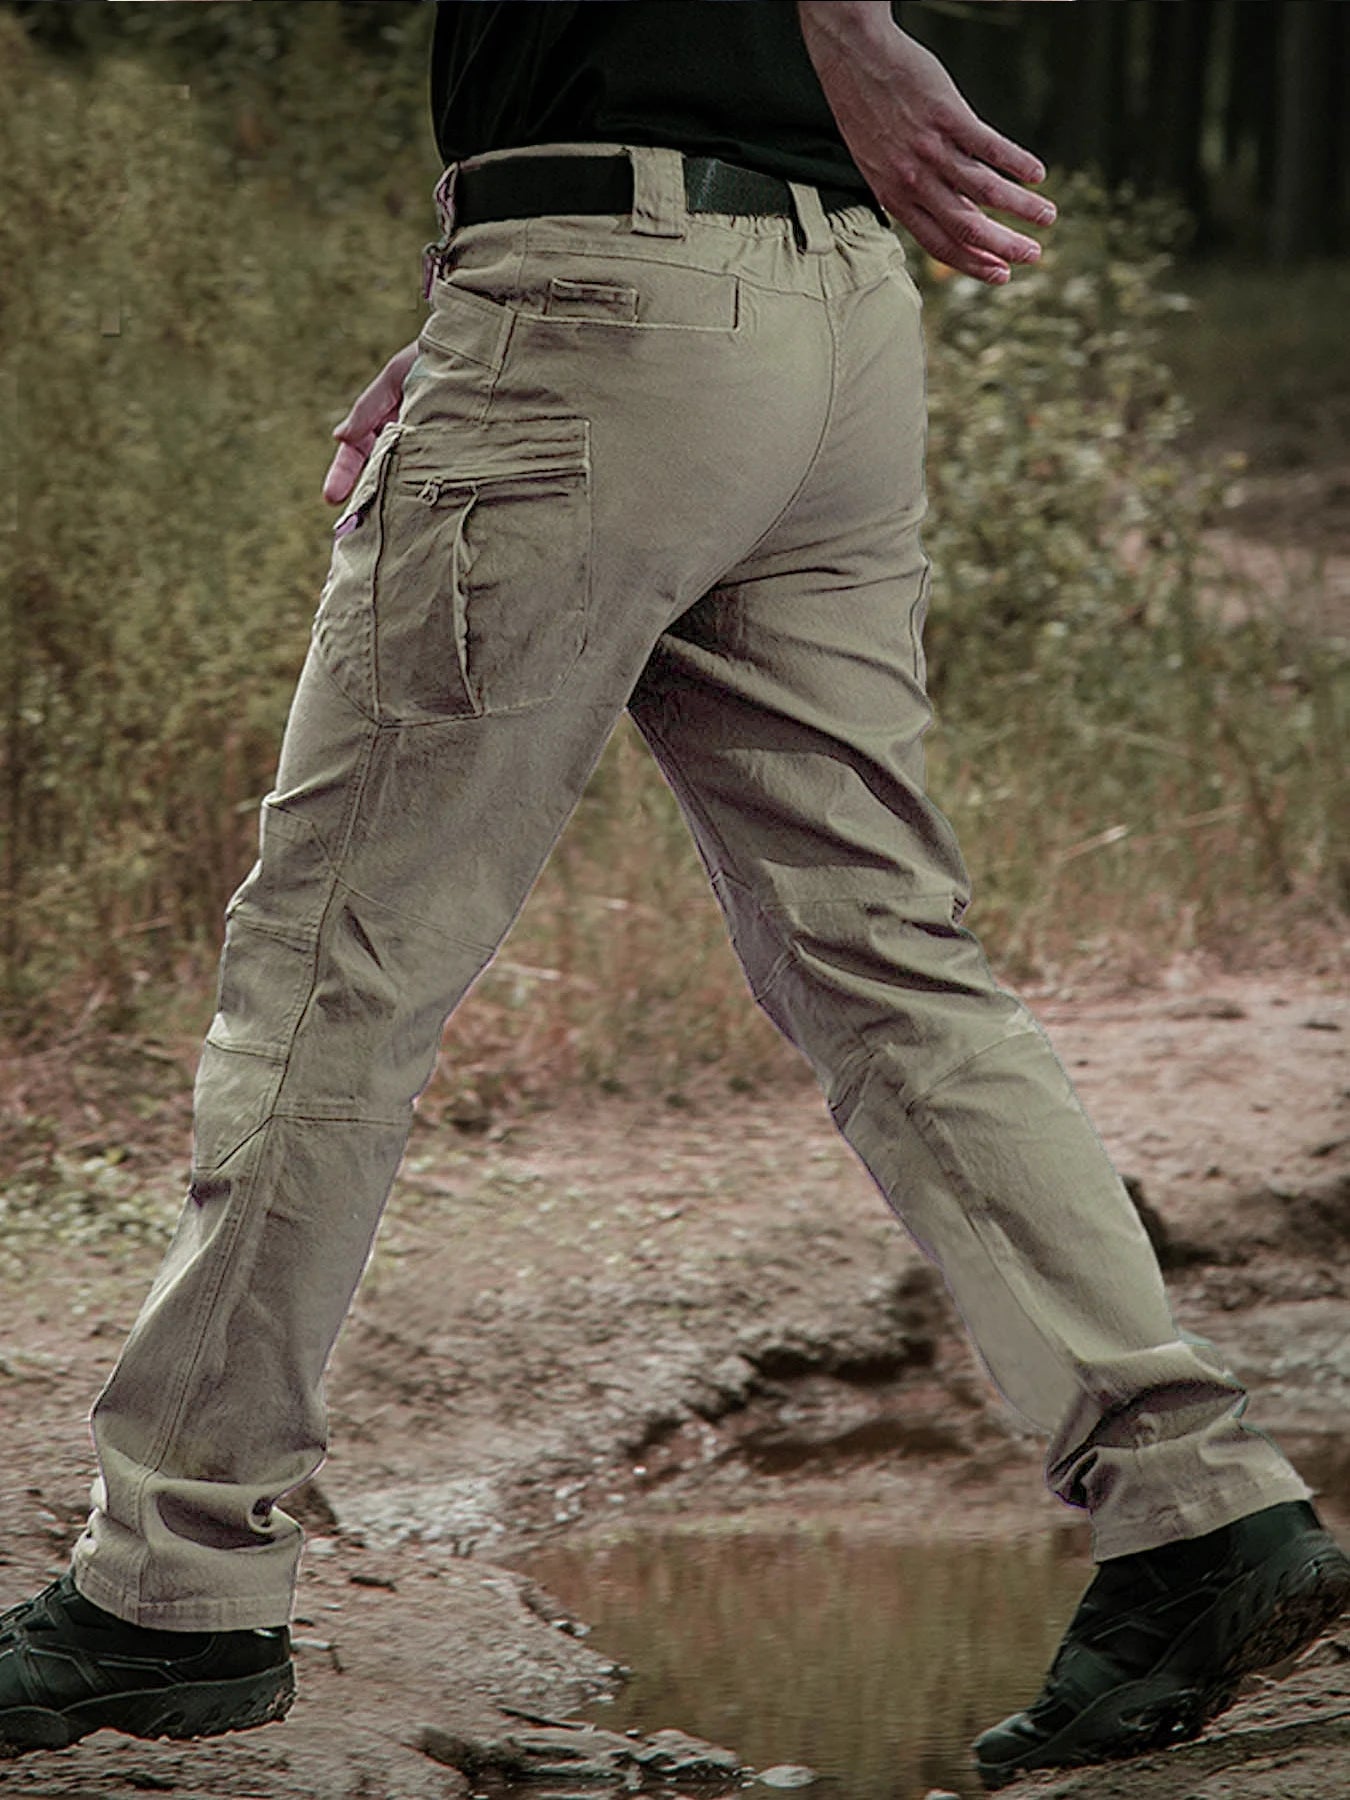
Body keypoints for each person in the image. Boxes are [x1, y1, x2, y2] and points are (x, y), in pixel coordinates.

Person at [1, 2, 1346, 1790]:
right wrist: (489, 302)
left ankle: (172, 1587)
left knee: (334, 969)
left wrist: (834, 35)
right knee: (886, 958)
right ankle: (1191, 1504)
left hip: (612, 293)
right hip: (823, 316)